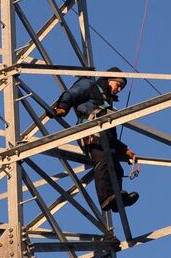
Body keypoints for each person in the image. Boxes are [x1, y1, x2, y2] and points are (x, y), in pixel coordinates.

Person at [51, 67, 140, 212]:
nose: (118, 90)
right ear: (110, 79)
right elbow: (71, 94)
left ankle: (118, 198)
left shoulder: (107, 106)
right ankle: (106, 198)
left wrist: (124, 149)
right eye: (118, 85)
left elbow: (111, 135)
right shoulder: (90, 86)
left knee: (116, 165)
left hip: (104, 137)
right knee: (103, 160)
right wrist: (63, 108)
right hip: (90, 133)